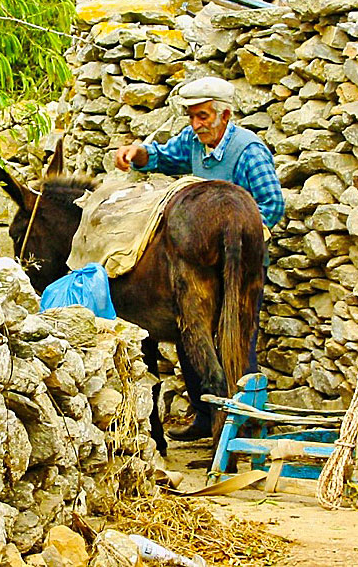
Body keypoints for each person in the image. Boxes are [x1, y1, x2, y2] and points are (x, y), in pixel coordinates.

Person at [115, 76, 284, 441]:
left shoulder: (248, 152)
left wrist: (244, 239)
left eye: (203, 116)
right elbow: (163, 157)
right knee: (192, 339)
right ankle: (206, 418)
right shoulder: (193, 143)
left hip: (239, 262)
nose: (197, 125)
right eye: (192, 117)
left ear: (225, 114)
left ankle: (243, 428)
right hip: (199, 260)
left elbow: (271, 205)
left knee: (236, 338)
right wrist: (139, 155)